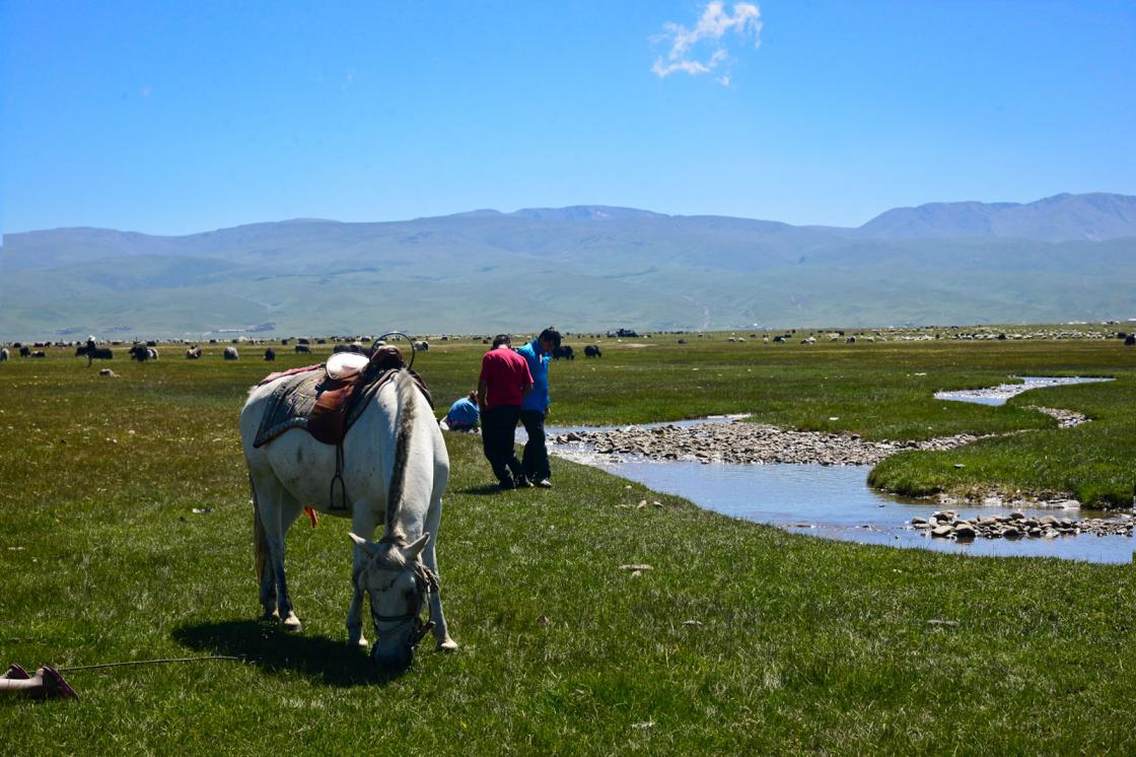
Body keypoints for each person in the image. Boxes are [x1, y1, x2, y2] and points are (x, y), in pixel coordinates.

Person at [478, 334, 533, 490]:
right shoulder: (520, 359)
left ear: (494, 345)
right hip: (513, 408)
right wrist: (517, 399)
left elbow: (482, 383)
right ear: (509, 344)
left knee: (490, 448)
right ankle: (521, 478)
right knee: (507, 447)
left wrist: (482, 404)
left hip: (494, 407)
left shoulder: (490, 356)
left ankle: (506, 479)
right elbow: (529, 386)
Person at [516, 327, 560, 488]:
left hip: (539, 404)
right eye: (550, 345)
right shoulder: (526, 353)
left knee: (534, 439)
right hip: (527, 404)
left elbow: (543, 382)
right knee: (539, 438)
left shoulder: (544, 355)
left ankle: (525, 473)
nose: (551, 349)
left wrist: (546, 403)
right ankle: (542, 474)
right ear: (544, 340)